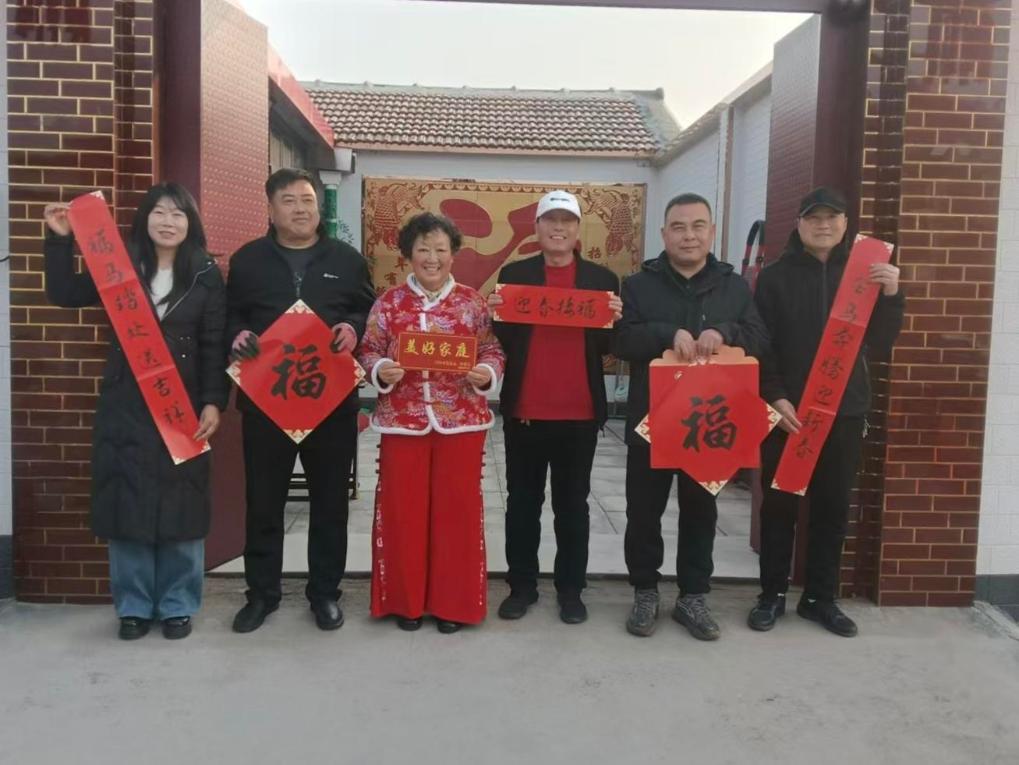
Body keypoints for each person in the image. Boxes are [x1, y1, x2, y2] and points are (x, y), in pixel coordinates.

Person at [43, 183, 227, 641]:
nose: (168, 222)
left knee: (183, 502)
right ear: (144, 219)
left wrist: (213, 401)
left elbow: (214, 342)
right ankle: (134, 606)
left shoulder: (205, 273)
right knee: (127, 499)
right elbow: (64, 293)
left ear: (190, 223)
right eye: (159, 212)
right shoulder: (119, 265)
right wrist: (60, 240)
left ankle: (178, 604)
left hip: (183, 403)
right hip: (126, 403)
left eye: (178, 214)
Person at [226, 168, 376, 633]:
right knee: (263, 503)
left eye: (307, 200)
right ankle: (262, 595)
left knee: (329, 504)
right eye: (289, 201)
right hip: (266, 404)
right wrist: (237, 335)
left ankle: (324, 594)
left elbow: (367, 309)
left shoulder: (347, 260)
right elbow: (229, 314)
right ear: (271, 209)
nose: (300, 209)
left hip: (329, 403)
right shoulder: (248, 260)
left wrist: (353, 327)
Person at [747, 187, 903, 637]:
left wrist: (892, 294)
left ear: (845, 224)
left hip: (845, 412)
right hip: (788, 412)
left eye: (832, 217)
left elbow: (881, 343)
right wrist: (774, 396)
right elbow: (761, 346)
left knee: (832, 508)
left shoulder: (864, 276)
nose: (823, 225)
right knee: (779, 508)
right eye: (813, 217)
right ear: (798, 225)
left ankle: (820, 598)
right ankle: (771, 595)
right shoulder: (774, 279)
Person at [613, 192, 769, 640]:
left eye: (698, 226)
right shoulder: (638, 286)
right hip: (652, 421)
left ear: (711, 232)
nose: (689, 236)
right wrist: (667, 334)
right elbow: (620, 341)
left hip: (708, 423)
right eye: (679, 227)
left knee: (701, 512)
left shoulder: (733, 287)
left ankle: (693, 596)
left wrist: (725, 332)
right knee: (643, 511)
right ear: (664, 234)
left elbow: (760, 338)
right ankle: (645, 591)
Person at [358, 212, 505, 633]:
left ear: (453, 254)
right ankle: (405, 602)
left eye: (441, 249)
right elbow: (368, 349)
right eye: (423, 249)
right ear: (409, 254)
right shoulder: (389, 303)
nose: (432, 258)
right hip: (403, 422)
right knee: (402, 513)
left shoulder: (472, 303)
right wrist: (380, 368)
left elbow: (492, 350)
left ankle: (452, 605)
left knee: (456, 514)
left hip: (460, 424)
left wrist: (486, 373)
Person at [487, 190, 622, 624]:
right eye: (550, 220)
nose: (558, 228)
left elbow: (607, 347)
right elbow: (505, 340)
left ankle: (571, 590)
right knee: (522, 506)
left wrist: (615, 318)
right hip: (526, 411)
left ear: (578, 229)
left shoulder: (601, 280)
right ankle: (522, 587)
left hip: (579, 414)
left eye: (566, 221)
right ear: (538, 228)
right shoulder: (516, 274)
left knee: (573, 508)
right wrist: (496, 314)